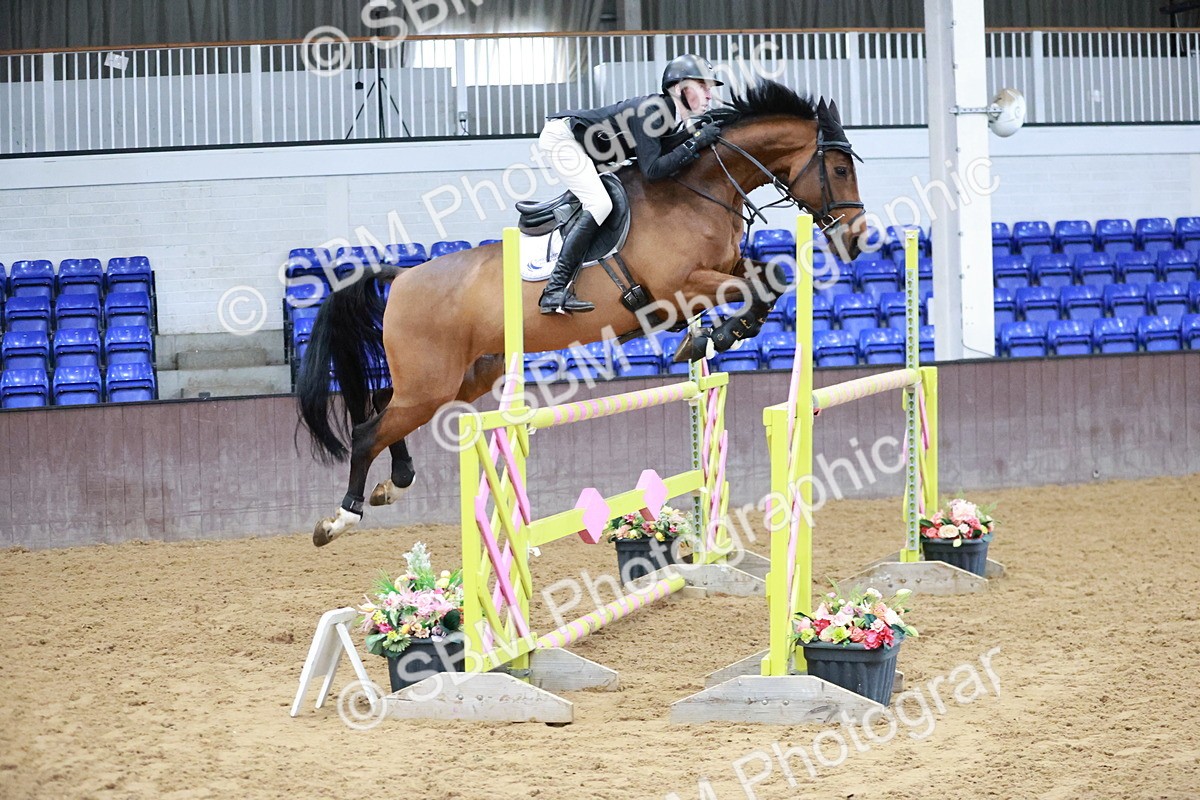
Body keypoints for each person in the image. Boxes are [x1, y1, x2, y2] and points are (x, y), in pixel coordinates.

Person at [536, 54, 725, 314]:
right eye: (702, 87)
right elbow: (653, 169)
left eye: (709, 89)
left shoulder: (670, 115)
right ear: (680, 89)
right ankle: (554, 291)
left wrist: (695, 135)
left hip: (592, 150)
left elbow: (665, 150)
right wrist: (695, 142)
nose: (708, 95)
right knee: (600, 203)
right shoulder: (653, 110)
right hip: (563, 139)